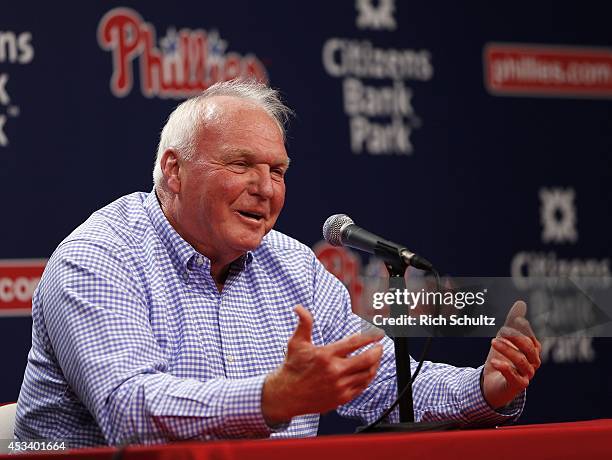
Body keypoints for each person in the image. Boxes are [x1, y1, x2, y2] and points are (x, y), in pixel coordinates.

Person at [15, 80, 541, 447]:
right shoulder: (99, 257)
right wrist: (271, 399)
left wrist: (485, 389)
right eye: (241, 164)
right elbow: (131, 411)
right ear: (173, 171)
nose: (265, 189)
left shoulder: (293, 266)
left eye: (278, 170)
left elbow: (378, 382)